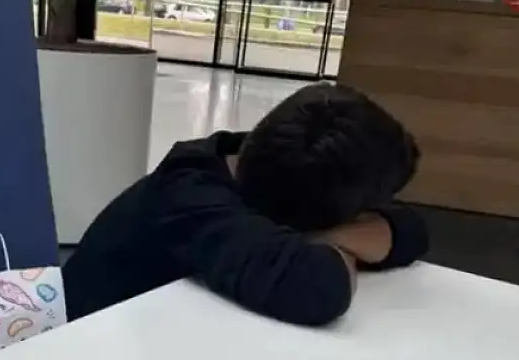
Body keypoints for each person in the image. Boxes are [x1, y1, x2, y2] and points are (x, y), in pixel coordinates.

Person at [62, 83, 428, 325]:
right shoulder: (191, 199)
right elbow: (321, 288)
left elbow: (411, 230)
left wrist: (320, 236)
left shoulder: (267, 160)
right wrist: (334, 240)